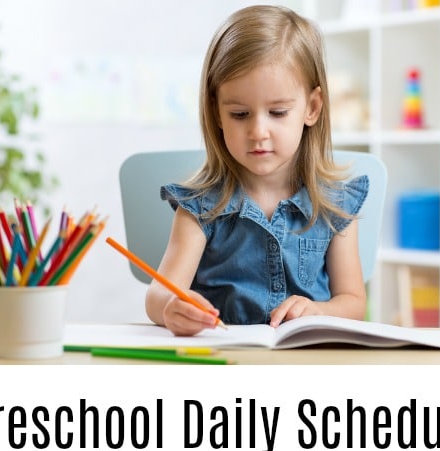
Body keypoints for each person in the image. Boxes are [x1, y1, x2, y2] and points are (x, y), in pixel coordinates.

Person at [145, 4, 368, 336]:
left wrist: (318, 311)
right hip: (223, 362)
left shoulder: (335, 204)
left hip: (306, 366)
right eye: (239, 114)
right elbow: (157, 295)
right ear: (216, 112)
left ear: (312, 107)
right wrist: (172, 307)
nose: (258, 132)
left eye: (277, 112)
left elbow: (353, 302)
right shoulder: (199, 208)